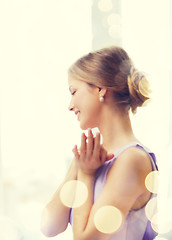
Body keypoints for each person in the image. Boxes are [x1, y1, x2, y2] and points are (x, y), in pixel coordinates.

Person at [41, 46, 158, 240]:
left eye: (74, 91)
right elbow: (49, 226)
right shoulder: (91, 158)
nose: (70, 106)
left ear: (100, 89)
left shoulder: (133, 160)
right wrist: (78, 167)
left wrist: (86, 175)